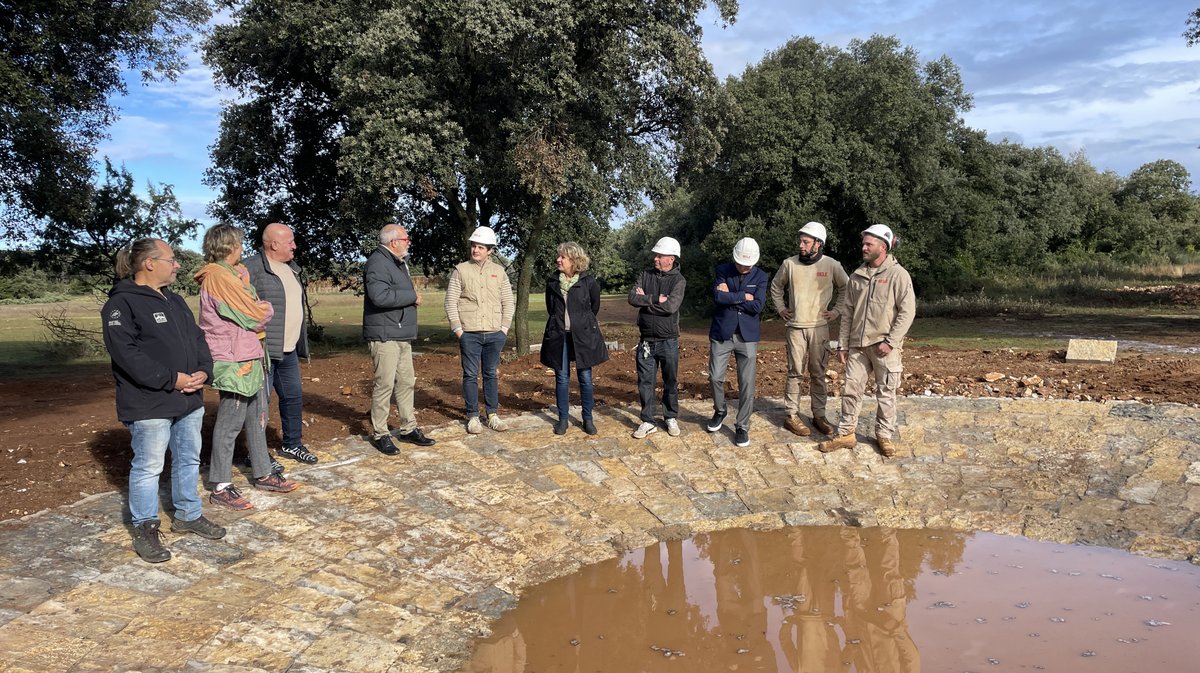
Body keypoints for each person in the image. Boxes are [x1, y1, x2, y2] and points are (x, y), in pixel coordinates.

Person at [102, 238, 226, 563]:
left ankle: (188, 514)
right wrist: (172, 379)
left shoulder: (175, 301)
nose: (178, 265)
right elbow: (126, 355)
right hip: (149, 402)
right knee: (148, 466)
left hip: (188, 399)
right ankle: (145, 528)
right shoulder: (121, 304)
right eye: (172, 259)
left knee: (188, 458)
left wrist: (203, 371)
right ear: (149, 263)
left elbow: (198, 337)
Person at [196, 224, 299, 511]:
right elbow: (254, 315)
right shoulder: (218, 277)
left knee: (257, 417)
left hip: (249, 354)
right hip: (234, 359)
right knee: (231, 422)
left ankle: (263, 472)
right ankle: (220, 484)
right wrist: (265, 306)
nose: (242, 248)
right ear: (229, 246)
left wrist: (247, 288)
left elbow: (249, 304)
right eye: (239, 244)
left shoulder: (231, 276)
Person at [818, 224, 915, 457]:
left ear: (883, 247)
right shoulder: (857, 276)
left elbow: (907, 311)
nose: (864, 247)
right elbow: (848, 312)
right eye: (864, 243)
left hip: (884, 348)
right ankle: (846, 434)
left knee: (886, 392)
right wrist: (842, 344)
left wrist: (891, 341)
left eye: (868, 244)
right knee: (851, 390)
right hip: (858, 347)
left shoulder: (898, 275)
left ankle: (884, 436)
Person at [244, 222, 316, 464]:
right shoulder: (250, 268)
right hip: (263, 351)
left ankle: (292, 444)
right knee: (259, 405)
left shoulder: (291, 268)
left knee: (293, 397)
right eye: (290, 242)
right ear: (274, 244)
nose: (295, 246)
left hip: (289, 350)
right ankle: (256, 453)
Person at [769, 221, 848, 437]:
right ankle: (791, 415)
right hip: (795, 328)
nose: (801, 245)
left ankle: (819, 415)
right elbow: (776, 287)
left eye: (805, 242)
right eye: (800, 241)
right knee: (795, 372)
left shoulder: (832, 265)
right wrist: (781, 308)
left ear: (818, 244)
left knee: (818, 373)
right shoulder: (789, 264)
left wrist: (836, 311)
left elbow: (846, 288)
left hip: (819, 328)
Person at [363, 223, 437, 453]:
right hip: (385, 335)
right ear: (394, 242)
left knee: (406, 381)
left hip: (400, 333)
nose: (409, 242)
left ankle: (408, 428)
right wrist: (412, 296)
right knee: (384, 384)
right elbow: (379, 296)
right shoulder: (378, 263)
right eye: (406, 239)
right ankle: (380, 433)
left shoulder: (397, 262)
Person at [445, 226, 515, 434]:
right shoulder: (461, 270)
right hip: (470, 333)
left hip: (495, 333)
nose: (475, 250)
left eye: (480, 247)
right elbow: (451, 301)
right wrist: (459, 330)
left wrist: (503, 329)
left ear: (490, 250)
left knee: (491, 374)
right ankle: (473, 416)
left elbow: (508, 302)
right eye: (474, 246)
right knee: (469, 375)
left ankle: (492, 414)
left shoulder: (499, 272)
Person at [540, 242, 608, 435]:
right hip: (559, 336)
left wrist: (580, 325)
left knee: (585, 378)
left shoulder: (589, 282)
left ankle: (588, 418)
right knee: (561, 378)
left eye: (563, 257)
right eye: (558, 256)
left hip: (583, 336)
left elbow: (593, 308)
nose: (558, 260)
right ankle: (563, 419)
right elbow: (551, 309)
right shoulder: (552, 282)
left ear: (574, 260)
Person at [706, 238, 768, 447]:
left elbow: (758, 306)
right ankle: (720, 410)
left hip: (747, 336)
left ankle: (742, 426)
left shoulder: (761, 276)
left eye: (748, 264)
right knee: (715, 377)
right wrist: (744, 296)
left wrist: (731, 296)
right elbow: (717, 298)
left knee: (747, 384)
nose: (744, 267)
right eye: (741, 263)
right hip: (722, 332)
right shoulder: (722, 270)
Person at [628, 236, 686, 439]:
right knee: (645, 381)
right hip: (646, 339)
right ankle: (647, 420)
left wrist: (645, 302)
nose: (655, 258)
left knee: (670, 380)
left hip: (668, 340)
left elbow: (671, 307)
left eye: (659, 255)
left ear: (671, 258)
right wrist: (654, 299)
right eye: (655, 255)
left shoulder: (678, 281)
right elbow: (632, 298)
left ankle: (670, 416)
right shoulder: (645, 275)